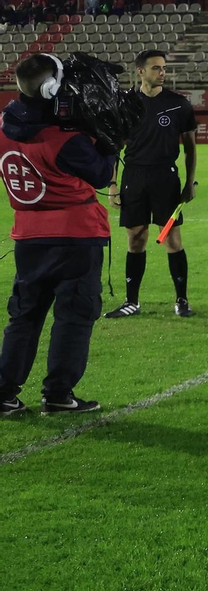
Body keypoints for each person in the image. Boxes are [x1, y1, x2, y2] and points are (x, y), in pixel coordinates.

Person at [0, 54, 118, 416]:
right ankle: (58, 393)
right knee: (74, 315)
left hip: (28, 235)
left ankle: (4, 393)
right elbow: (101, 174)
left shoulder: (3, 127)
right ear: (52, 87)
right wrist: (111, 141)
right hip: (75, 236)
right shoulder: (62, 139)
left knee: (25, 315)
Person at [103, 51, 198, 319]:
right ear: (140, 71)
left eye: (164, 68)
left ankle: (181, 299)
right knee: (135, 239)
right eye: (156, 68)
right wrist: (112, 184)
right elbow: (114, 146)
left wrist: (189, 182)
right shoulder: (125, 103)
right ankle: (131, 301)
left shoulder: (179, 104)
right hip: (133, 177)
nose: (162, 72)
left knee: (172, 238)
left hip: (166, 178)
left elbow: (191, 148)